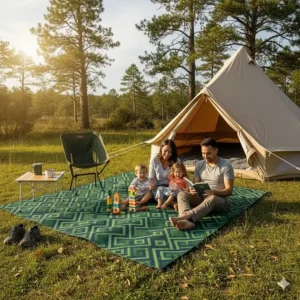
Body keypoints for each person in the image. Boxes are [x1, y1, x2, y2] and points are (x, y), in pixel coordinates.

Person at [170, 138, 234, 230]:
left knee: (212, 198)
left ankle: (185, 217)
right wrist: (192, 190)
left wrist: (215, 192)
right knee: (181, 194)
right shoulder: (200, 164)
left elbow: (229, 191)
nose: (205, 156)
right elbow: (195, 184)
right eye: (203, 153)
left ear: (216, 151)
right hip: (201, 197)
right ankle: (187, 222)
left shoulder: (226, 166)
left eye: (208, 153)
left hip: (219, 200)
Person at [149, 139, 180, 208]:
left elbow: (181, 176)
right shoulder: (155, 160)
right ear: (161, 149)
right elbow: (151, 177)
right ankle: (171, 204)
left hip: (171, 187)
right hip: (158, 186)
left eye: (170, 152)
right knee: (155, 192)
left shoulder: (176, 161)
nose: (167, 154)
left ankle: (169, 202)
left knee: (177, 192)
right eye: (165, 151)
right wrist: (152, 184)